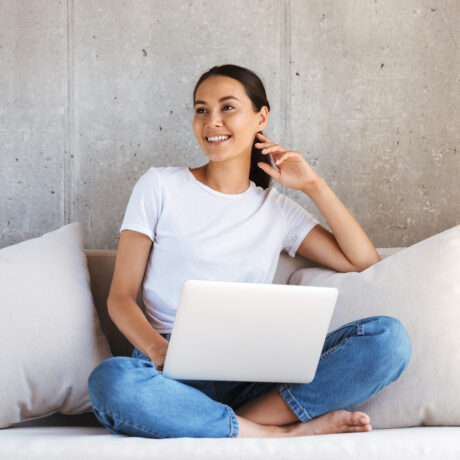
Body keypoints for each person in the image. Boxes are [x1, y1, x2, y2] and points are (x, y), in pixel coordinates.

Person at [88, 64, 412, 439]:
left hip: (254, 370)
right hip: (170, 370)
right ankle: (272, 432)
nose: (212, 122)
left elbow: (364, 262)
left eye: (228, 107)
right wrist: (161, 353)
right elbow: (121, 297)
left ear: (261, 117)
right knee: (111, 381)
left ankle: (230, 422)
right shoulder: (159, 185)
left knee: (388, 340)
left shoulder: (278, 210)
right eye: (201, 110)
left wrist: (314, 186)